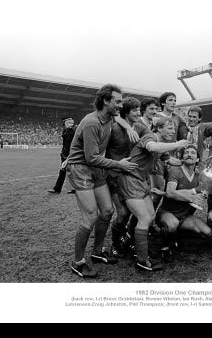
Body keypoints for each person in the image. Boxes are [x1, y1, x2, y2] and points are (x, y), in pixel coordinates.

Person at [65, 84, 138, 279]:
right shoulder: (91, 122)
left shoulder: (111, 116)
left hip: (97, 168)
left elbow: (120, 118)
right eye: (118, 102)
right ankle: (78, 262)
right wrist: (119, 165)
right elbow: (90, 158)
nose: (121, 106)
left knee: (107, 211)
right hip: (81, 168)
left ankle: (97, 251)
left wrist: (128, 127)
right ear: (106, 101)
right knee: (90, 216)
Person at [117, 117, 189, 271]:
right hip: (130, 180)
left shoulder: (161, 146)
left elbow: (170, 160)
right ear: (159, 128)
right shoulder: (150, 137)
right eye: (169, 128)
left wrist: (189, 161)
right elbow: (152, 148)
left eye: (173, 129)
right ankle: (142, 260)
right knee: (144, 218)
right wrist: (177, 144)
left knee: (149, 218)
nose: (172, 132)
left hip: (141, 181)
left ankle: (128, 241)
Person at [106, 97, 151, 258]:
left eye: (139, 110)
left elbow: (153, 138)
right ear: (126, 112)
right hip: (115, 176)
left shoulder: (140, 128)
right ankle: (115, 244)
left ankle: (128, 239)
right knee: (123, 213)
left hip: (131, 178)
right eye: (135, 110)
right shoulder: (114, 129)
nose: (139, 113)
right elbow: (101, 151)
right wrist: (116, 164)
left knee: (137, 213)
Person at [153, 145, 210, 261]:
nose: (189, 154)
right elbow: (170, 192)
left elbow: (202, 192)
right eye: (186, 153)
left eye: (193, 153)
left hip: (184, 216)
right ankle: (164, 246)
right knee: (172, 224)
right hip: (167, 213)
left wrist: (202, 195)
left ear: (198, 159)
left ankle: (178, 237)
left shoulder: (200, 176)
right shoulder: (175, 171)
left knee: (206, 232)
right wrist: (190, 197)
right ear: (182, 158)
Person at [48, 117, 77, 194]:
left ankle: (58, 189)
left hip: (70, 155)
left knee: (69, 171)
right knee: (65, 171)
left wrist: (70, 155)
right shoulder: (66, 131)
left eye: (65, 123)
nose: (64, 125)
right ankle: (59, 189)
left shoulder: (72, 131)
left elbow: (72, 145)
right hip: (65, 155)